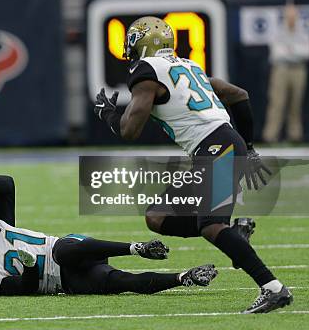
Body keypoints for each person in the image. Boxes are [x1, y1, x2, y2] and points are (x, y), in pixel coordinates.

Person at [94, 16, 292, 314]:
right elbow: (239, 95)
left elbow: (129, 130)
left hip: (216, 147)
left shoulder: (146, 72)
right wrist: (248, 148)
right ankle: (235, 235)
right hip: (221, 144)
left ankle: (272, 287)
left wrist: (107, 114)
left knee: (211, 226)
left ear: (143, 44)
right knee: (158, 216)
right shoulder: (188, 65)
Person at [0, 175, 218, 296]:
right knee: (118, 282)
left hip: (72, 247)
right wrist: (30, 266)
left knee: (62, 252)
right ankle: (184, 278)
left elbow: (7, 185)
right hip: (63, 281)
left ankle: (137, 247)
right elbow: (26, 289)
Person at [262, 4, 309, 143]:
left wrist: (291, 51)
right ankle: (271, 136)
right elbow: (277, 53)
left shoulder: (303, 32)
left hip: (298, 69)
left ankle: (295, 136)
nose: (291, 19)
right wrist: (295, 51)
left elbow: (308, 52)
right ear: (285, 17)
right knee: (277, 102)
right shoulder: (278, 31)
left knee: (295, 103)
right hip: (281, 69)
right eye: (289, 16)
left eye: (293, 16)